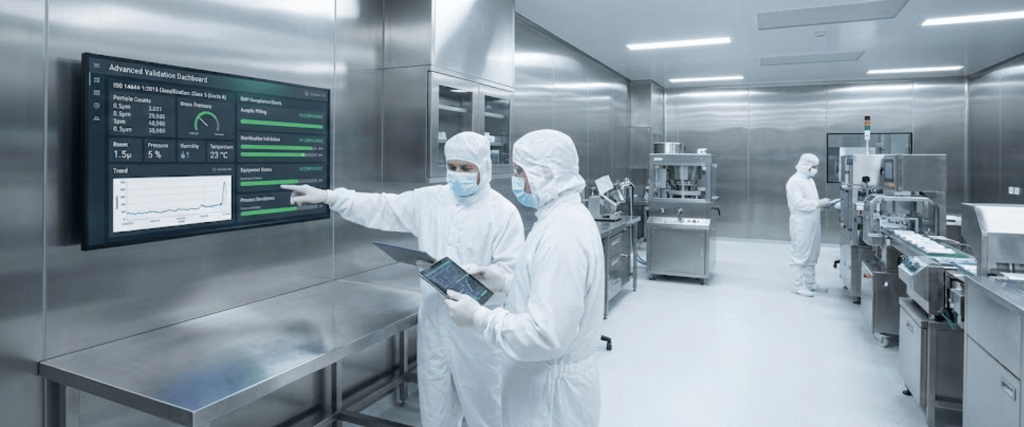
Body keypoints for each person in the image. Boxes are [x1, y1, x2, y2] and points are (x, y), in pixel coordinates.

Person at [282, 132, 524, 427]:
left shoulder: (503, 213)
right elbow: (382, 207)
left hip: (479, 331)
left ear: (483, 168)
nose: (457, 175)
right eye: (452, 167)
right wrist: (330, 197)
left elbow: (513, 278)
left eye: (466, 168)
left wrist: (489, 278)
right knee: (436, 413)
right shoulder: (430, 200)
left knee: (487, 413)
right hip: (435, 326)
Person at [443, 129, 604, 427]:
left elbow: (546, 335)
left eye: (519, 171)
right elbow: (550, 293)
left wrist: (479, 317)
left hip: (550, 399)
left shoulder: (562, 234)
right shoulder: (559, 218)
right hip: (543, 385)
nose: (516, 178)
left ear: (545, 173)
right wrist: (504, 282)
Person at [786, 153, 832, 298]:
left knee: (812, 254)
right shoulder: (794, 181)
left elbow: (811, 201)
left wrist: (821, 206)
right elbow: (798, 204)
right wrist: (818, 203)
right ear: (806, 165)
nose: (815, 170)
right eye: (814, 167)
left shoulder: (809, 180)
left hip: (813, 221)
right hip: (801, 223)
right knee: (800, 254)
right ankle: (797, 286)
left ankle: (810, 283)